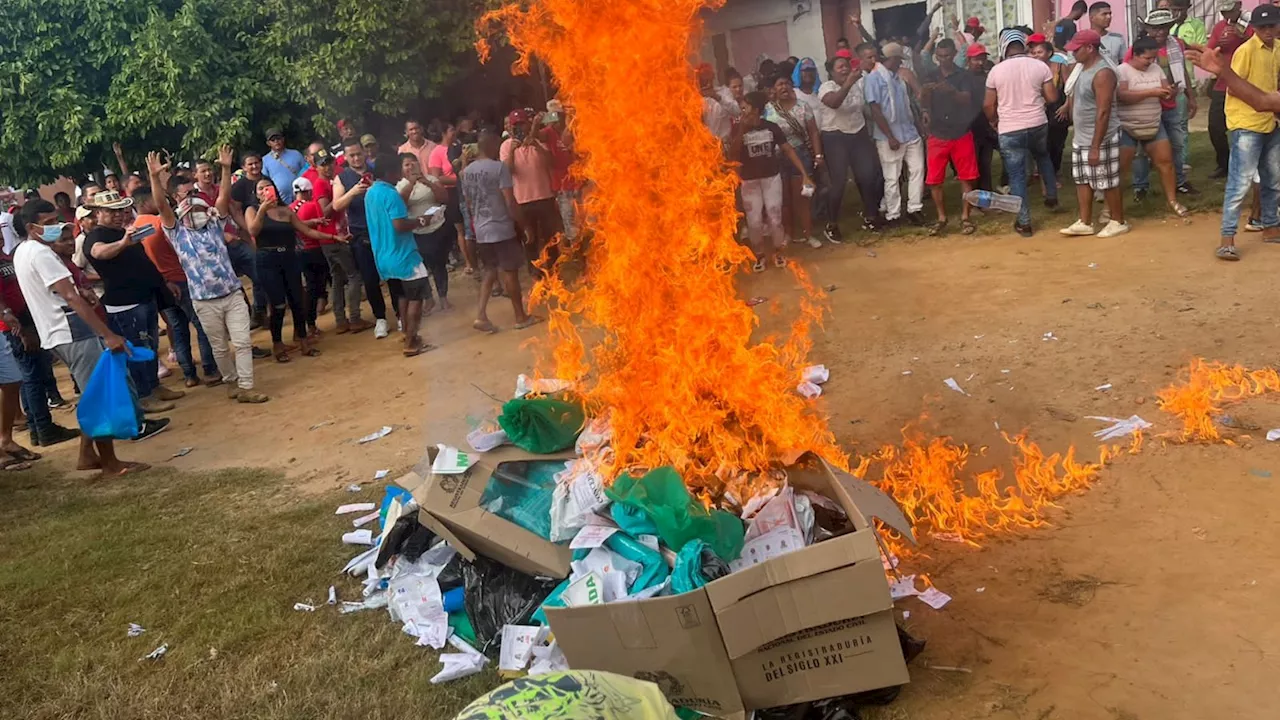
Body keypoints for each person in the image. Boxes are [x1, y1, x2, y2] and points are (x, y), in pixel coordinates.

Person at [17, 200, 163, 476]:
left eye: (54, 221)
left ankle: (87, 454)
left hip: (56, 332)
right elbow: (70, 297)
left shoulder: (24, 251)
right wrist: (107, 334)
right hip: (72, 331)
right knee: (99, 396)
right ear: (30, 227)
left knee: (91, 392)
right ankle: (110, 463)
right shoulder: (41, 255)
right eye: (47, 224)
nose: (54, 228)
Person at [146, 148, 268, 403]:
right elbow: (160, 205)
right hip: (204, 300)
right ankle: (231, 382)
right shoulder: (176, 231)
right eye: (186, 197)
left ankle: (245, 387)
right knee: (220, 348)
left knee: (243, 343)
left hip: (232, 293)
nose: (192, 202)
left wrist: (225, 168)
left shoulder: (214, 223)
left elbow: (223, 197)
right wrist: (154, 177)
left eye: (195, 196)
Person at [83, 190, 184, 413]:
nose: (118, 215)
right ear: (98, 213)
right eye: (112, 211)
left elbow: (144, 260)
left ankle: (154, 387)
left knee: (150, 346)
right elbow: (99, 253)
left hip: (145, 297)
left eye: (120, 210)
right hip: (124, 305)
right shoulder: (96, 236)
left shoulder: (124, 232)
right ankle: (144, 396)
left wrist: (163, 281)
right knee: (136, 350)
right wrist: (123, 243)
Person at [1203, 5, 1280, 260]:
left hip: (1270, 121)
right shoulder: (1245, 51)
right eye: (1263, 27)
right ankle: (1227, 238)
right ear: (1255, 28)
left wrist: (1271, 104)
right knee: (1240, 181)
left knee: (1273, 178)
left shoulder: (1278, 49)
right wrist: (1266, 101)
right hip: (1246, 122)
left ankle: (1270, 227)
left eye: (1273, 26)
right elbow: (1233, 88)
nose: (1269, 31)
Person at [246, 175, 343, 359]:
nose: (265, 190)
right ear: (256, 194)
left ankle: (303, 342)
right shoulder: (252, 210)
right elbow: (253, 230)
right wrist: (263, 210)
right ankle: (277, 345)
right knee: (278, 304)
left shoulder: (286, 211)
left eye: (268, 186)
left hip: (289, 257)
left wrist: (332, 237)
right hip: (267, 259)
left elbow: (306, 230)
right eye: (261, 189)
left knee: (298, 300)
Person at [135, 188, 218, 388]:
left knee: (178, 329)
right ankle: (210, 368)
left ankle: (189, 374)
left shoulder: (134, 229)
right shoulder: (160, 224)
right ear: (147, 202)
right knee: (201, 324)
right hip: (180, 279)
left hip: (161, 285)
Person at [0, 242, 78, 448]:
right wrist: (19, 326)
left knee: (35, 377)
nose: (0, 240)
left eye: (1, 235)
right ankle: (43, 428)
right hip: (16, 327)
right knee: (33, 378)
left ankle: (39, 428)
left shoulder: (8, 258)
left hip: (29, 320)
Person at [462, 129, 539, 334]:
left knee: (489, 270)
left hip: (481, 230)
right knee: (510, 272)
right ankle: (520, 317)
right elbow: (510, 201)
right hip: (501, 228)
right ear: (490, 145)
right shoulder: (499, 168)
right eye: (497, 145)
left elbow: (469, 203)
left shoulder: (467, 172)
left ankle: (481, 316)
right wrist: (524, 225)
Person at [984, 30, 1060, 236]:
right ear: (1024, 46)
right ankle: (1051, 196)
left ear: (1004, 48)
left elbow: (988, 104)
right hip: (1037, 123)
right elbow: (1052, 97)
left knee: (1017, 175)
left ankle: (1024, 223)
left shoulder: (996, 71)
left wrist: (994, 121)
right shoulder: (1039, 66)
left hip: (1010, 128)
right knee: (1043, 157)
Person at [729, 92, 813, 271]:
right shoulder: (738, 128)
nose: (743, 110)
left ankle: (778, 251)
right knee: (754, 221)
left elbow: (788, 150)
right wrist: (742, 130)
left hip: (771, 179)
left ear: (756, 109)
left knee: (775, 218)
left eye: (746, 107)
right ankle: (759, 254)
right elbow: (733, 154)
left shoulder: (772, 127)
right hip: (749, 182)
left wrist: (804, 173)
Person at [1058, 31, 1128, 238]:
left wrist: (1096, 146)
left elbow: (1104, 111)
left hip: (1101, 137)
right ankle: (1085, 221)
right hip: (1082, 136)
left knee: (1107, 180)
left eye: (1076, 49)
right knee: (1082, 179)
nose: (1073, 53)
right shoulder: (1080, 69)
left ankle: (1118, 220)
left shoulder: (1103, 73)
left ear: (1090, 48)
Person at [365, 155, 436, 357]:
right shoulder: (391, 194)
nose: (401, 174)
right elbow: (399, 225)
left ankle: (407, 334)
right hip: (404, 256)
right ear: (389, 172)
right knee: (417, 297)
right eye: (398, 170)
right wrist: (422, 220)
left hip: (384, 257)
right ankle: (412, 342)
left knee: (403, 296)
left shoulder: (371, 193)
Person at [1114, 37, 1191, 219]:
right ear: (1135, 55)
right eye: (1147, 58)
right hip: (1127, 125)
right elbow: (1123, 96)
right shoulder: (1122, 71)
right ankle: (1112, 208)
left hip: (1153, 123)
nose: (1151, 62)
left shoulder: (1156, 69)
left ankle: (1172, 200)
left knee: (1166, 163)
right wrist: (1152, 92)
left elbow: (1164, 93)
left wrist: (1169, 92)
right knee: (1121, 169)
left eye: (1153, 58)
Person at [1130, 9, 1199, 202]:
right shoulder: (1138, 47)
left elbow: (1182, 70)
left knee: (1177, 142)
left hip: (1174, 100)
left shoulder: (1175, 43)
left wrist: (1190, 96)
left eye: (1165, 28)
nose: (1161, 32)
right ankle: (1140, 186)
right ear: (1148, 29)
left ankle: (1180, 181)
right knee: (1141, 147)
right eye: (1156, 28)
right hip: (1147, 102)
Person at [819, 46, 884, 241]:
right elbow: (834, 103)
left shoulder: (858, 84)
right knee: (838, 183)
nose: (845, 69)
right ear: (831, 71)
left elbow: (865, 108)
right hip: (835, 136)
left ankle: (871, 216)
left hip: (858, 133)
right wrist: (847, 83)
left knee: (868, 175)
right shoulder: (826, 87)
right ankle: (832, 225)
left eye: (846, 65)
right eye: (840, 67)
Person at [920, 39, 982, 235]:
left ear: (954, 54)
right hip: (937, 133)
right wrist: (924, 98)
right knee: (935, 180)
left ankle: (965, 217)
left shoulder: (963, 76)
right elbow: (924, 102)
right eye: (940, 56)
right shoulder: (931, 75)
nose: (944, 59)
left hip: (961, 131)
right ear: (936, 56)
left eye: (947, 55)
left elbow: (967, 99)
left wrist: (950, 90)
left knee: (967, 177)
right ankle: (941, 218)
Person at [333, 140, 391, 338]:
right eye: (352, 156)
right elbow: (336, 205)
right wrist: (353, 192)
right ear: (345, 158)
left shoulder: (377, 169)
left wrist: (377, 187)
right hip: (360, 234)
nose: (356, 158)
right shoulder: (342, 177)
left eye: (359, 154)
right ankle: (380, 318)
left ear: (364, 152)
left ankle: (401, 314)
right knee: (370, 278)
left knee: (392, 273)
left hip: (384, 229)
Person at [864, 43, 925, 227]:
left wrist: (918, 127)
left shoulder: (898, 78)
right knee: (892, 176)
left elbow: (907, 106)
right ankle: (893, 214)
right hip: (888, 136)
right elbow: (875, 110)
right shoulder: (874, 78)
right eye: (899, 60)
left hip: (909, 131)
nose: (900, 64)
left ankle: (915, 208)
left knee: (918, 170)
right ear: (892, 59)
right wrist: (890, 136)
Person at [501, 109, 563, 276]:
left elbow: (551, 162)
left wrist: (535, 144)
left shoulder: (539, 139)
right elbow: (508, 171)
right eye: (516, 125)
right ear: (511, 128)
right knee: (530, 240)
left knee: (549, 238)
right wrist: (513, 151)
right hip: (523, 202)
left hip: (545, 197)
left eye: (522, 123)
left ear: (528, 124)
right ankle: (536, 274)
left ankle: (554, 272)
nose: (519, 128)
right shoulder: (506, 145)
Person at [765, 74, 823, 248]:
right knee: (784, 200)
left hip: (800, 155)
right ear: (774, 90)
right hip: (777, 156)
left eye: (787, 84)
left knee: (802, 198)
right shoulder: (768, 109)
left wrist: (818, 155)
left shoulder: (803, 107)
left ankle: (808, 234)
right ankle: (788, 234)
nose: (783, 87)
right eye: (779, 84)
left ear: (792, 87)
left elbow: (813, 132)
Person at [396, 153, 452, 311]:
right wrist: (411, 184)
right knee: (422, 268)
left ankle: (443, 297)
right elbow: (401, 205)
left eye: (413, 163)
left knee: (439, 265)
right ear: (401, 168)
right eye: (406, 164)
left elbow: (444, 198)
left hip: (437, 228)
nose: (411, 166)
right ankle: (428, 298)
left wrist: (426, 182)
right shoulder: (400, 185)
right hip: (416, 232)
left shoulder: (432, 179)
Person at [291, 177, 339, 336]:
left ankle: (307, 325)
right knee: (319, 286)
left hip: (298, 252)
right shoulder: (312, 205)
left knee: (309, 288)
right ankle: (312, 323)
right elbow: (321, 224)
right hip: (315, 249)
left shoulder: (289, 208)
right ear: (309, 191)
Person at [1207, 1, 1250, 179]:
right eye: (1224, 12)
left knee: (1244, 127)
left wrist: (1242, 37)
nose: (1226, 16)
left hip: (1247, 83)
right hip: (1223, 83)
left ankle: (1244, 164)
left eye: (1230, 11)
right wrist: (1219, 45)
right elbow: (1210, 50)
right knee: (1215, 126)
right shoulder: (1219, 27)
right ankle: (1224, 164)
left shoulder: (1251, 23)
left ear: (1239, 6)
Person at [227, 152, 269, 328]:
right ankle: (259, 312)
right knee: (258, 273)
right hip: (248, 234)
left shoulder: (267, 180)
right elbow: (235, 211)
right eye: (250, 164)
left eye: (257, 162)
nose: (254, 167)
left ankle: (265, 310)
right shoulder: (239, 187)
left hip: (269, 231)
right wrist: (249, 230)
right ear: (243, 167)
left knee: (267, 272)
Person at [1028, 35, 1070, 179]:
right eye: (1033, 53)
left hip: (1058, 108)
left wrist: (1066, 106)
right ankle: (1042, 170)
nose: (1036, 56)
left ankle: (1055, 171)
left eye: (1039, 52)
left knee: (1057, 143)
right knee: (1041, 142)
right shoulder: (1030, 69)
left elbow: (1069, 87)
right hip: (1039, 108)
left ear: (1049, 53)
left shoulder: (1059, 66)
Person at [965, 44, 999, 191]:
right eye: (976, 59)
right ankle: (973, 199)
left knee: (985, 164)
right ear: (969, 60)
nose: (980, 63)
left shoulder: (988, 76)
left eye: (982, 59)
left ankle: (985, 197)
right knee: (973, 166)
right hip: (970, 127)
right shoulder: (963, 78)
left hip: (986, 126)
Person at [261, 129, 307, 204]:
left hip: (301, 196)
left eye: (278, 138)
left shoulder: (296, 154)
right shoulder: (265, 160)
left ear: (283, 139)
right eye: (273, 140)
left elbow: (306, 172)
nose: (276, 141)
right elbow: (265, 182)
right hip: (280, 200)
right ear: (268, 143)